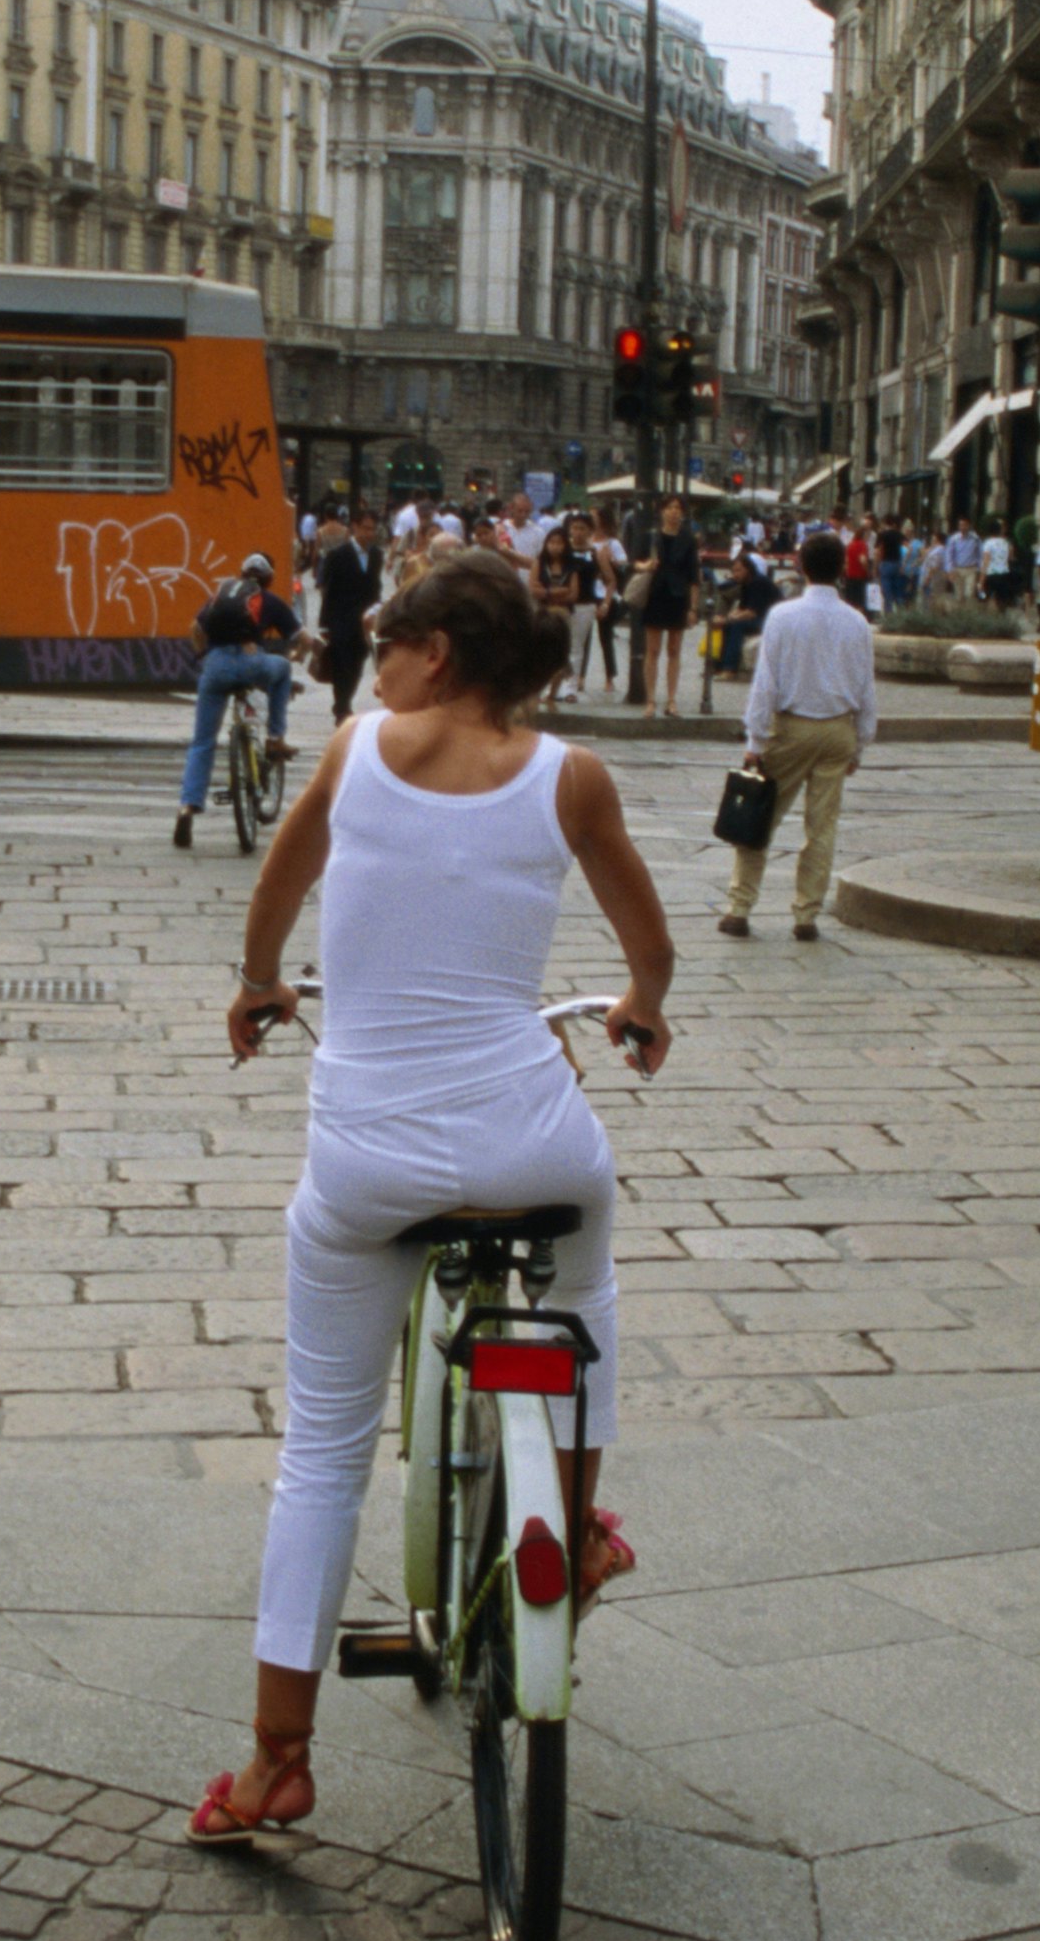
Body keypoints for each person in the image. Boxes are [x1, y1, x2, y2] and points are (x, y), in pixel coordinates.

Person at [193, 557, 676, 1844]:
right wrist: (639, 1008)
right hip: (532, 1138)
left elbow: (277, 895)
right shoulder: (570, 776)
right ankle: (570, 1528)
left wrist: (257, 982)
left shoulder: (354, 750)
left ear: (439, 653)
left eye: (384, 637)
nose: (371, 658)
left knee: (322, 1452)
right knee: (584, 1274)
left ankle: (276, 1761)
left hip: (367, 1166)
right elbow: (652, 949)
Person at [717, 531, 875, 943]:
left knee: (760, 818)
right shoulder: (857, 621)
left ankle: (739, 907)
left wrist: (755, 742)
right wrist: (860, 742)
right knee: (822, 828)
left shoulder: (783, 617)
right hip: (838, 728)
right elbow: (865, 689)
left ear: (801, 567)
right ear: (843, 569)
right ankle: (806, 914)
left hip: (791, 728)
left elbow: (765, 684)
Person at [173, 553, 304, 846]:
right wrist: (308, 652)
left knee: (202, 741)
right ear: (269, 579)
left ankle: (187, 807)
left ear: (241, 573)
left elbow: (196, 629)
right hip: (251, 664)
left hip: (216, 667)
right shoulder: (268, 600)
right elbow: (300, 638)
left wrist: (205, 656)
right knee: (282, 670)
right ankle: (274, 738)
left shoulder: (223, 594)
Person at [634, 497, 701, 717]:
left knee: (674, 650)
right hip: (655, 594)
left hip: (678, 597)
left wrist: (693, 607)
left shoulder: (688, 540)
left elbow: (694, 576)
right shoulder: (651, 536)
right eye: (670, 508)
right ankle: (651, 700)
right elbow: (636, 561)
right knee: (652, 651)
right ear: (662, 511)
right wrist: (646, 565)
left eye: (678, 509)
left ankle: (671, 700)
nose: (674, 512)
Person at [311, 518, 375, 726]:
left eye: (373, 529)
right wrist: (324, 624)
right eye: (366, 527)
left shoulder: (376, 555)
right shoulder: (338, 556)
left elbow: (375, 588)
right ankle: (341, 706)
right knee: (341, 663)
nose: (369, 533)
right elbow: (327, 592)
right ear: (355, 528)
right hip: (340, 618)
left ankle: (345, 700)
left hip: (365, 620)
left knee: (358, 662)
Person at [531, 526, 585, 709]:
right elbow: (534, 590)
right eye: (551, 542)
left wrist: (547, 592)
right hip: (543, 614)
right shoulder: (539, 564)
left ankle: (552, 695)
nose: (555, 547)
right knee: (538, 655)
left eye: (559, 543)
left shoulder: (571, 567)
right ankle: (536, 692)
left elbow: (573, 594)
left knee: (560, 656)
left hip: (563, 615)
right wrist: (555, 591)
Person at [712, 538, 779, 682]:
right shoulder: (745, 582)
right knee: (727, 625)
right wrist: (725, 617)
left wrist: (730, 618)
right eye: (734, 571)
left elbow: (752, 612)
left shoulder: (758, 582)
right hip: (759, 617)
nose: (735, 574)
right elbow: (742, 608)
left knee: (736, 625)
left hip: (771, 619)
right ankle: (719, 666)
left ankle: (730, 668)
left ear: (748, 569)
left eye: (739, 570)